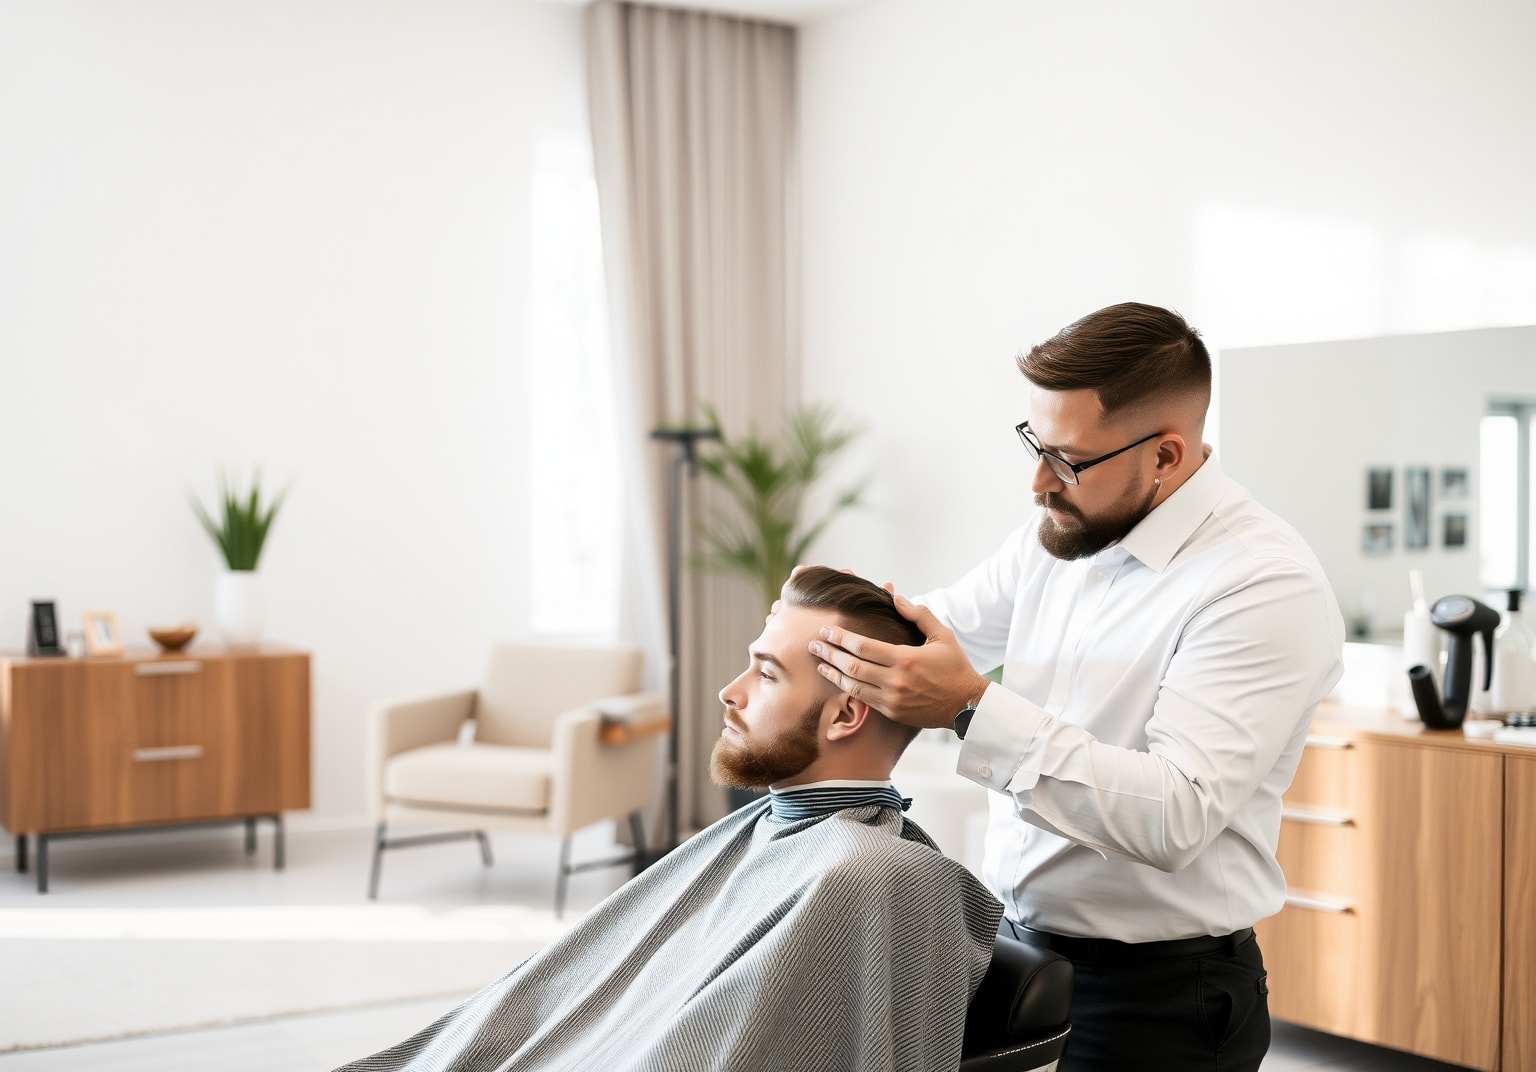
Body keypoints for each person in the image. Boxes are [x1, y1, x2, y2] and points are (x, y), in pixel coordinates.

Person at [806, 302, 1344, 1071]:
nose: (1037, 483)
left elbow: (1176, 813)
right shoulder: (1060, 533)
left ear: (1165, 456)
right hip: (1013, 952)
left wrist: (968, 708)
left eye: (1065, 459)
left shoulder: (1261, 584)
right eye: (1034, 443)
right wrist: (823, 628)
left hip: (1160, 1001)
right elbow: (934, 631)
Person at [335, 567, 1003, 1072]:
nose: (729, 691)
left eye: (767, 674)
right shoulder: (781, 831)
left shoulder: (871, 876)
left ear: (846, 714)